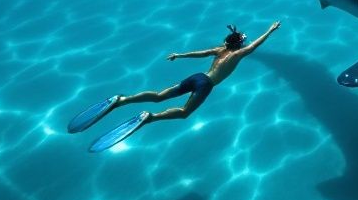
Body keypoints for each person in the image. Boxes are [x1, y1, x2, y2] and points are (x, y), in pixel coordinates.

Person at [68, 21, 281, 152]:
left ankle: (122, 100)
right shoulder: (238, 53)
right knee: (184, 112)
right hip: (206, 84)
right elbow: (255, 44)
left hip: (197, 76)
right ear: (239, 45)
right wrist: (270, 30)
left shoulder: (220, 50)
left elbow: (201, 53)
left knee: (159, 95)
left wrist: (179, 55)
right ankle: (149, 118)